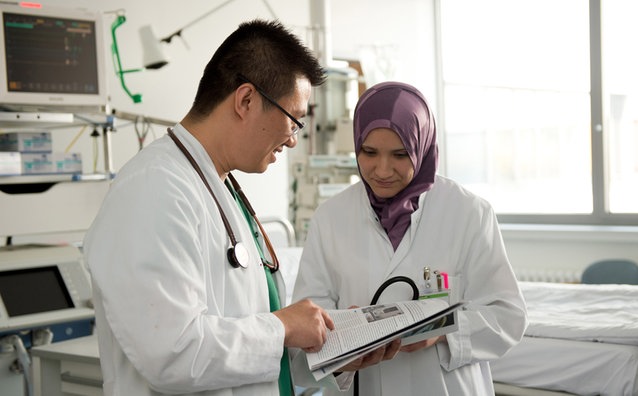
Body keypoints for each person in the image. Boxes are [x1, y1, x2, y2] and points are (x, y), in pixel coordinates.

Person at [83, 19, 335, 396]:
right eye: (294, 120)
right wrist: (281, 327)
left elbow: (247, 342)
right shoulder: (154, 189)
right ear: (246, 100)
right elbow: (172, 353)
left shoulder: (221, 186)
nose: (294, 139)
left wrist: (330, 352)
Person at [291, 81, 528, 395]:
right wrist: (343, 345)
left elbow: (508, 317)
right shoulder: (330, 218)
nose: (382, 169)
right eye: (369, 152)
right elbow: (305, 331)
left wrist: (442, 330)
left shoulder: (469, 213)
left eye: (400, 154)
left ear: (423, 145)